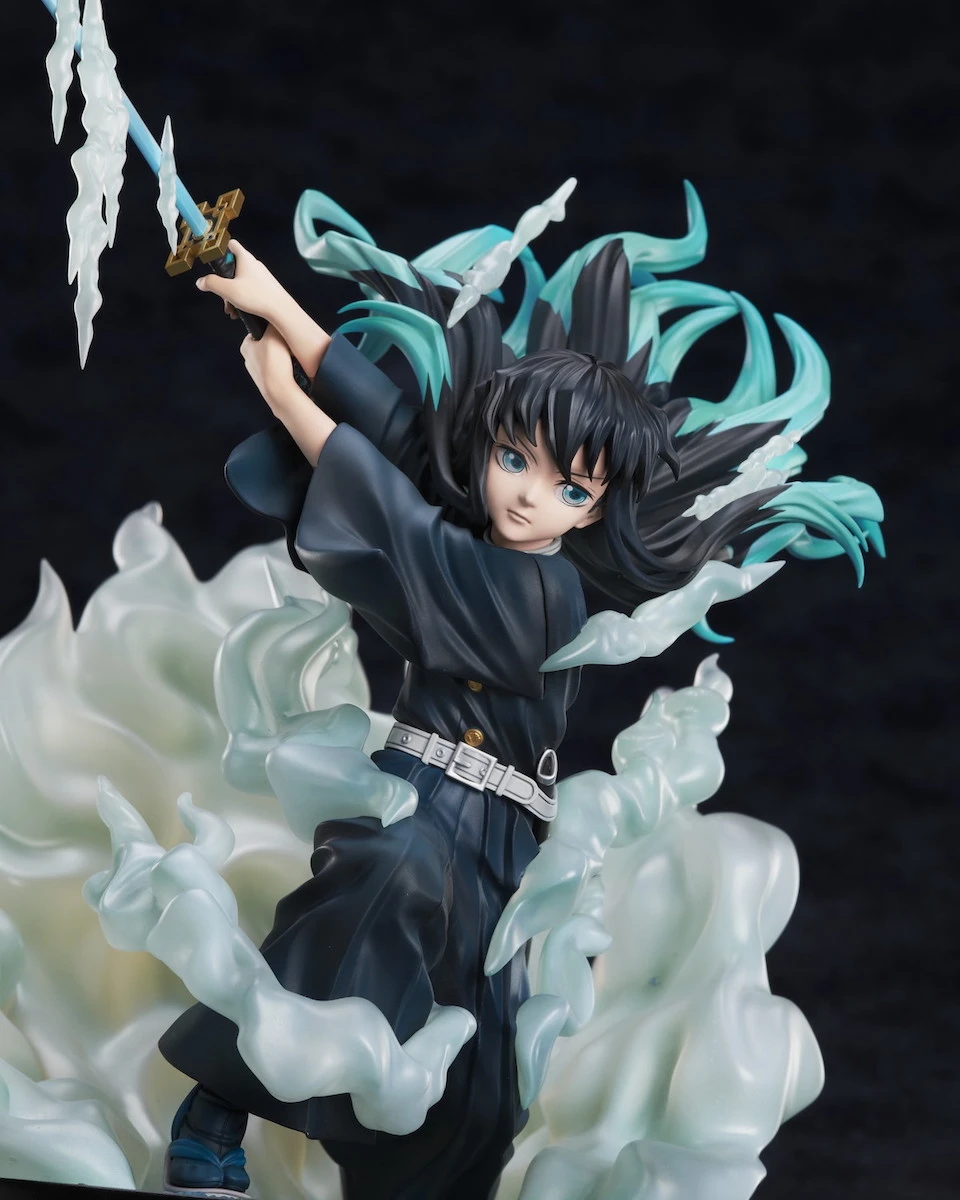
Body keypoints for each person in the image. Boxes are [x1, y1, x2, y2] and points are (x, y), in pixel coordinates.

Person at [157, 194, 881, 1200]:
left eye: (570, 489)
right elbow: (404, 434)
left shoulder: (545, 594)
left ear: (595, 509)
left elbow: (407, 531)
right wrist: (277, 301)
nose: (530, 496)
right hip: (417, 805)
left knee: (474, 1089)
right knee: (378, 894)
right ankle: (215, 1108)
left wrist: (287, 399)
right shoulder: (480, 518)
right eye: (512, 460)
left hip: (506, 844)